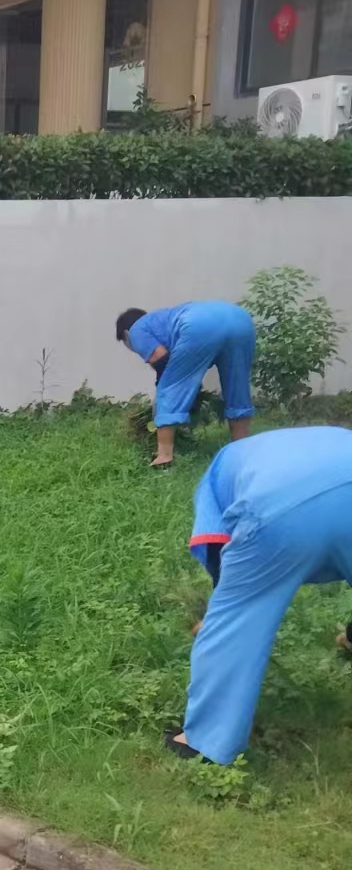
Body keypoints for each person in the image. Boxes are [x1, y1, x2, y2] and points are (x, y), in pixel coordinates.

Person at [167, 426, 352, 765]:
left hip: (281, 509)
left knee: (239, 614)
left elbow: (217, 550)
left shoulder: (214, 479)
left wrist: (217, 619)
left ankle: (205, 741)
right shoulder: (314, 439)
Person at [116, 301, 256, 467]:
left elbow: (160, 359)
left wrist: (168, 390)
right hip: (241, 320)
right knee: (236, 384)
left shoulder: (136, 330)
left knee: (169, 387)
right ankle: (241, 451)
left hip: (200, 325)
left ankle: (164, 457)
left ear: (125, 335)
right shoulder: (161, 319)